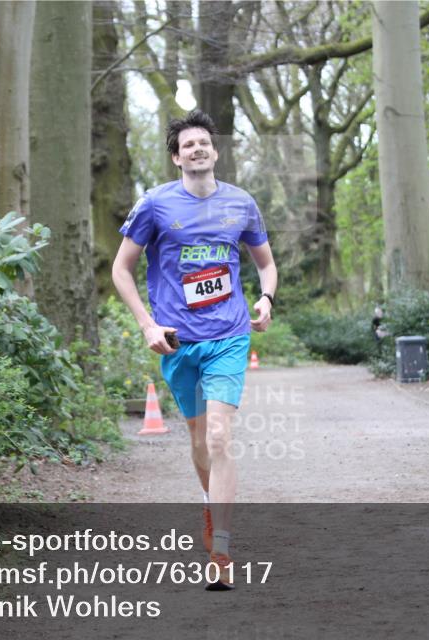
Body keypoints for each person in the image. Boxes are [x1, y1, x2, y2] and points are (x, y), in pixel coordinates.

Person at [111, 110, 277, 591]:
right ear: (175, 157)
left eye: (204, 142)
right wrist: (146, 324)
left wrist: (265, 299)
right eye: (188, 145)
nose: (198, 149)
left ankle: (220, 549)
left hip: (228, 335)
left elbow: (266, 265)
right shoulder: (154, 206)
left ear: (215, 151)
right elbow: (121, 269)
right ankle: (211, 505)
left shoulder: (241, 204)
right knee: (200, 440)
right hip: (177, 341)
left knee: (221, 438)